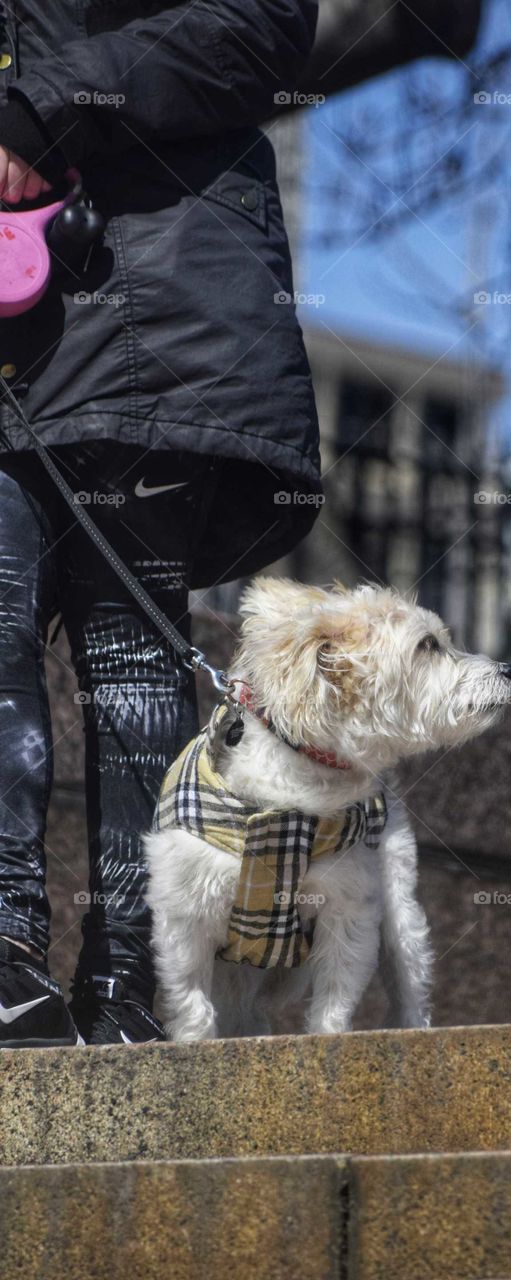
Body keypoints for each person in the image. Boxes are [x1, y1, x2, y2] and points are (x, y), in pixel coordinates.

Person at [0, 0, 322, 1047]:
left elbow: (259, 27)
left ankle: (130, 983)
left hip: (142, 299)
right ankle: (12, 962)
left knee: (130, 653)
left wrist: (42, 108)